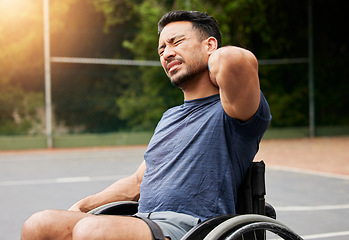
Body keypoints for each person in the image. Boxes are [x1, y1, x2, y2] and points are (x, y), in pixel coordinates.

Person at [21, 10, 271, 240]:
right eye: (161, 49)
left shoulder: (234, 111)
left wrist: (214, 63)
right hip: (144, 222)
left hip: (195, 228)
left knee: (92, 230)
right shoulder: (169, 118)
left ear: (210, 46)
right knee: (39, 224)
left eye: (176, 42)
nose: (166, 53)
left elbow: (236, 60)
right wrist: (84, 205)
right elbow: (137, 183)